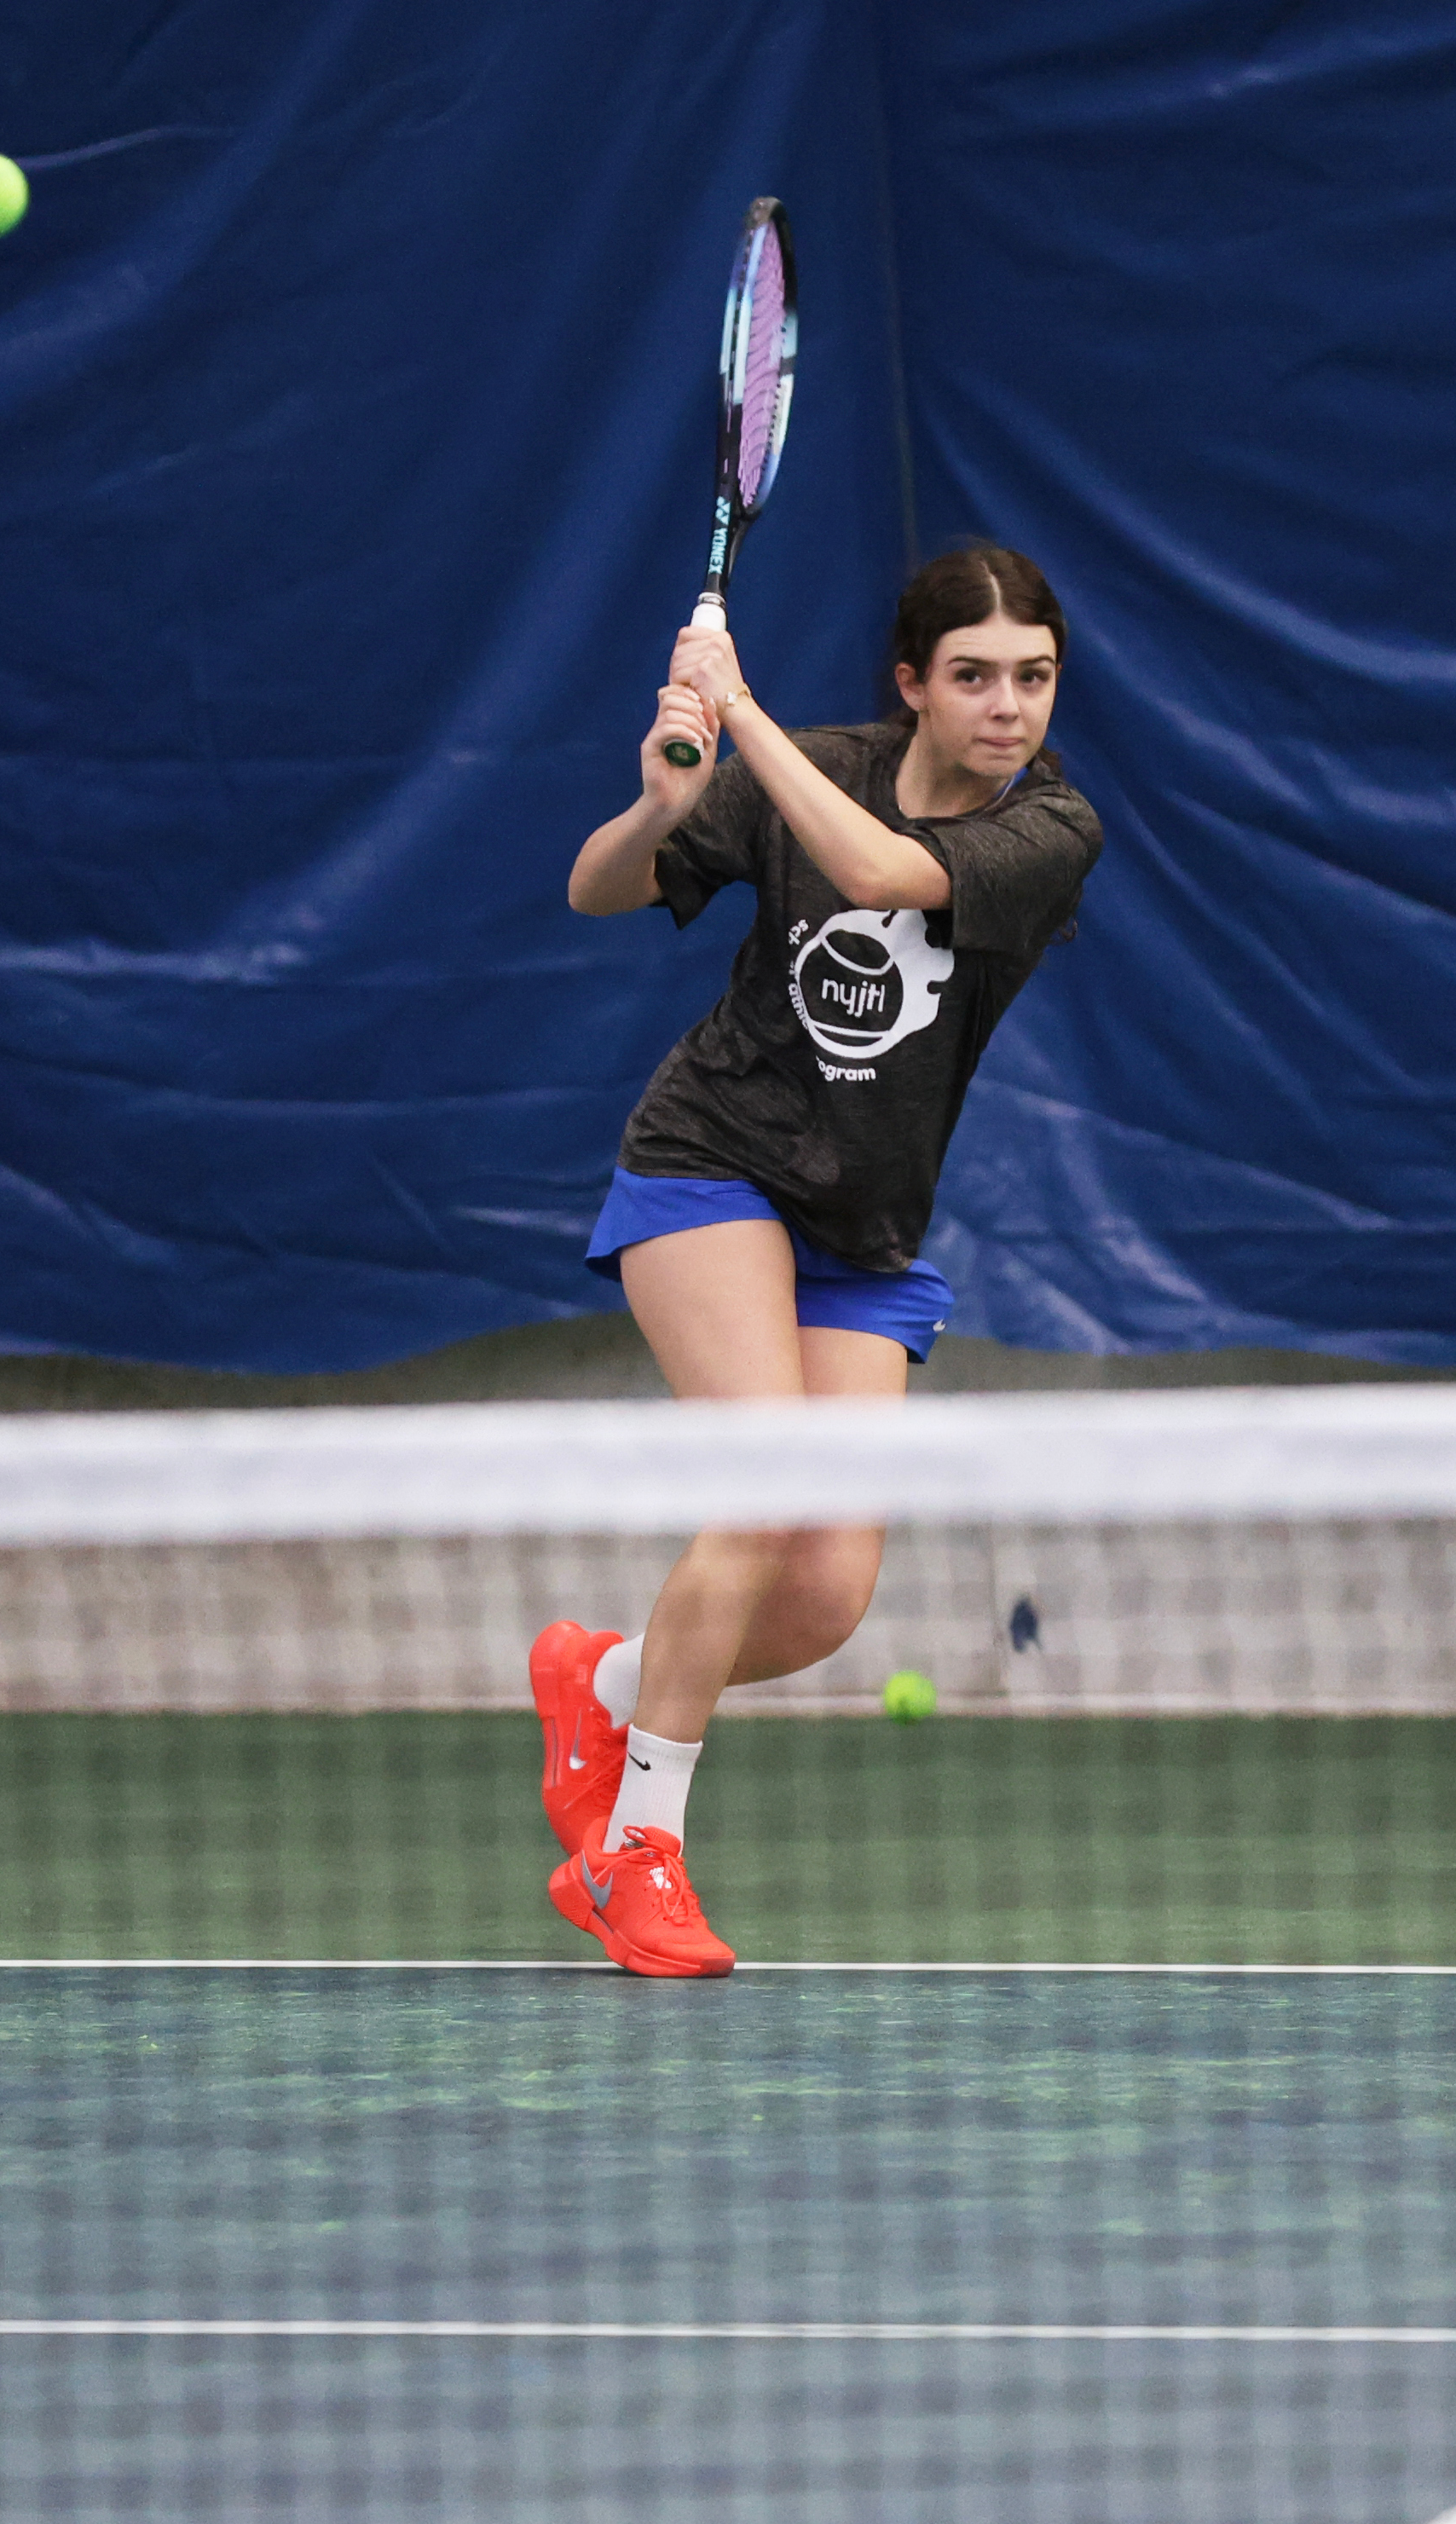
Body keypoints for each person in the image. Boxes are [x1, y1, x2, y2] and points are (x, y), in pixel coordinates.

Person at [536, 546, 1105, 1975]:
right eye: (971, 676)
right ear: (910, 684)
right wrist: (661, 805)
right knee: (763, 1486)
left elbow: (884, 871)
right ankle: (637, 1850)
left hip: (863, 1229)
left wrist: (741, 707)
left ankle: (599, 1681)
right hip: (709, 1164)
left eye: (1030, 678)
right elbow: (593, 890)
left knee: (824, 1593)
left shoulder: (1050, 832)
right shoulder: (828, 761)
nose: (1005, 707)